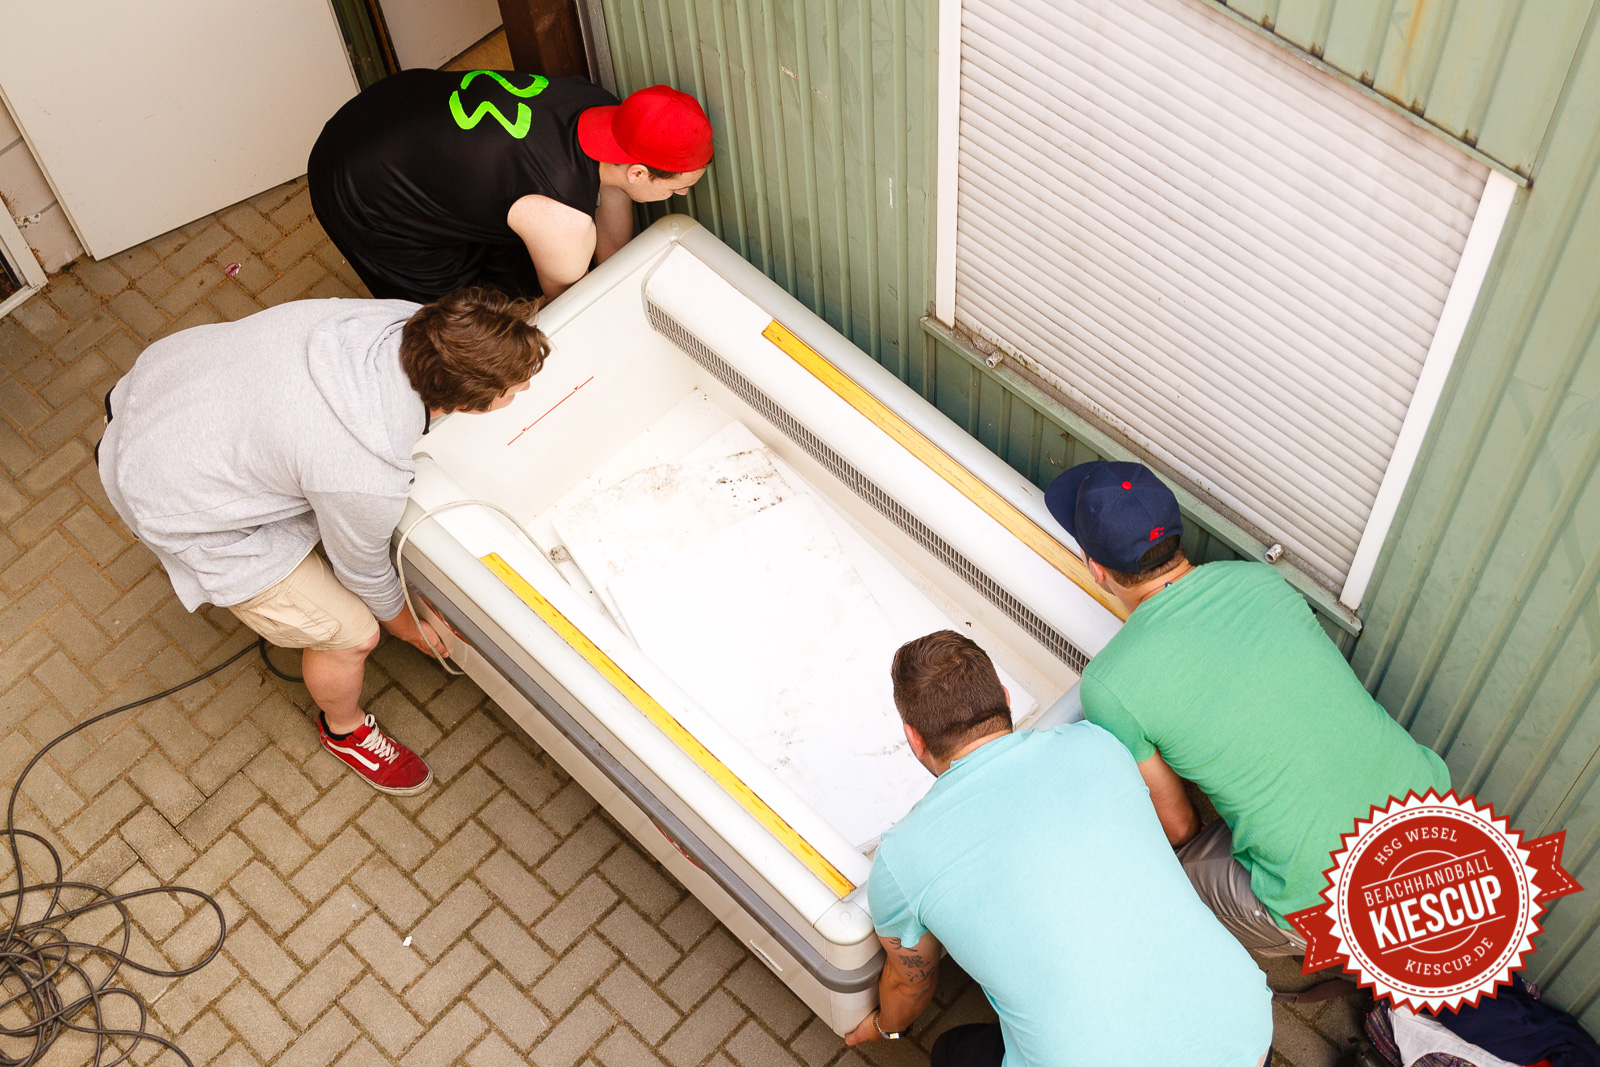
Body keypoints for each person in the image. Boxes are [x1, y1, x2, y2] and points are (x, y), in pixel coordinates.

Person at [96, 289, 547, 794]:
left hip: (153, 394)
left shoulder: (400, 320)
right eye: (513, 386)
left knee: (324, 499)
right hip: (167, 497)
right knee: (352, 632)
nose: (524, 390)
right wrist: (408, 628)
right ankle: (345, 731)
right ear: (462, 400)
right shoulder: (363, 467)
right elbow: (364, 570)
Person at [1044, 459, 1452, 955]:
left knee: (1158, 870)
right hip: (1438, 822)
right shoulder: (1262, 581)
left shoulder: (1109, 685)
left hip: (1327, 907)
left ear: (1095, 569)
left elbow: (1179, 827)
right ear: (1175, 533)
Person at [846, 630, 1273, 1067]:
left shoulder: (901, 858)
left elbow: (910, 984)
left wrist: (886, 1028)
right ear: (1006, 698)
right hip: (1244, 1036)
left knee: (951, 1053)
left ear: (914, 738)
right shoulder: (1096, 743)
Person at [308, 70, 712, 303]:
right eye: (677, 189)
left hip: (391, 106)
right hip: (361, 186)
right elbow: (568, 305)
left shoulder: (600, 105)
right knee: (458, 323)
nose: (679, 196)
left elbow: (613, 239)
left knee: (512, 266)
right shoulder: (563, 224)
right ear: (639, 173)